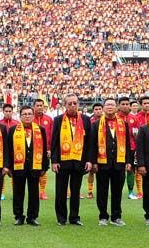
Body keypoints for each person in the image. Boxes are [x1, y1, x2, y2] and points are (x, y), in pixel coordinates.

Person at [87, 99, 132, 227]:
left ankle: (116, 216)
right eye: (107, 105)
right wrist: (94, 162)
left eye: (112, 105)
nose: (110, 107)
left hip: (119, 162)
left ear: (116, 107)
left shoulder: (123, 123)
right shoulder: (96, 124)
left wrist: (128, 161)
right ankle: (103, 216)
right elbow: (92, 145)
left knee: (117, 191)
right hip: (102, 163)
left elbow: (128, 144)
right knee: (102, 191)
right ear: (103, 108)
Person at [51, 94, 91, 226]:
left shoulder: (85, 119)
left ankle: (74, 217)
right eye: (70, 104)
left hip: (79, 160)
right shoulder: (58, 120)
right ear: (65, 105)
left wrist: (89, 160)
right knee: (61, 191)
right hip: (62, 161)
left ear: (78, 104)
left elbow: (89, 142)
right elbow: (54, 142)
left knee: (76, 191)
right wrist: (54, 161)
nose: (73, 106)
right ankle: (61, 218)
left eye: (75, 103)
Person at [8, 106, 47, 226]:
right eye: (24, 114)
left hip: (35, 166)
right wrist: (9, 167)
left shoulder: (40, 130)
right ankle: (18, 216)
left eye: (29, 114)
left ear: (33, 116)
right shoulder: (13, 129)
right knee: (18, 192)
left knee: (34, 193)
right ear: (20, 116)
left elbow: (45, 149)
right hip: (18, 166)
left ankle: (32, 217)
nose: (27, 116)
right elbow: (9, 149)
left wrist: (44, 167)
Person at [33, 99, 53, 201]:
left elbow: (52, 135)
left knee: (43, 171)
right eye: (37, 105)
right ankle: (35, 191)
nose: (39, 107)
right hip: (32, 151)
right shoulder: (29, 118)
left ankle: (42, 192)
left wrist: (50, 149)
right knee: (33, 171)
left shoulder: (49, 119)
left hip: (46, 150)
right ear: (34, 107)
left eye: (41, 105)